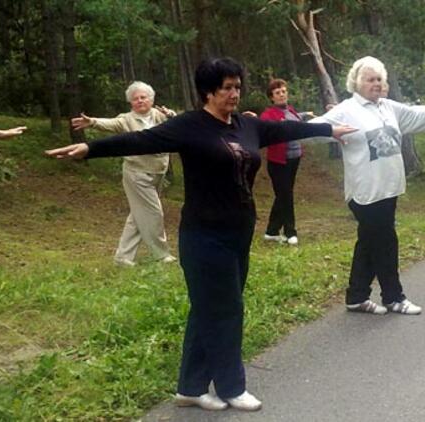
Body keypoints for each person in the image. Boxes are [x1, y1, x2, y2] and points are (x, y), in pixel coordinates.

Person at [46, 57, 354, 412]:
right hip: (203, 235)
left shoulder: (247, 126)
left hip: (239, 232)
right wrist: (90, 149)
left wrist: (327, 130)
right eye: (227, 88)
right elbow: (140, 139)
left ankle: (190, 387)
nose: (234, 94)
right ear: (208, 91)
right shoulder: (189, 126)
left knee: (208, 309)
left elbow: (285, 131)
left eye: (237, 87)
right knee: (227, 310)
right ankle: (231, 386)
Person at [311, 56, 425, 315]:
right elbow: (313, 128)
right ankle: (393, 296)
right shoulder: (346, 110)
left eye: (378, 79)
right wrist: (326, 131)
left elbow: (418, 115)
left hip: (389, 187)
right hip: (365, 192)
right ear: (356, 82)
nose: (375, 84)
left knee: (368, 241)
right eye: (369, 79)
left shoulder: (388, 107)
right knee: (385, 242)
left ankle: (356, 296)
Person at [71, 81, 178, 267]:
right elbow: (110, 124)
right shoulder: (126, 119)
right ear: (130, 103)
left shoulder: (160, 116)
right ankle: (161, 255)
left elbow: (177, 125)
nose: (139, 101)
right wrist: (93, 122)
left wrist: (171, 115)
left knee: (139, 214)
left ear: (151, 99)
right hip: (137, 173)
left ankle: (123, 258)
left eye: (143, 97)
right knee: (153, 212)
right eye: (135, 99)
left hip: (158, 171)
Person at [261, 78, 304, 246]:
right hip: (279, 161)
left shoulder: (291, 111)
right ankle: (290, 232)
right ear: (271, 97)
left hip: (295, 158)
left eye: (284, 91)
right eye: (277, 93)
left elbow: (299, 122)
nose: (282, 95)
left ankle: (271, 231)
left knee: (283, 195)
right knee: (286, 195)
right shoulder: (268, 115)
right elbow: (264, 128)